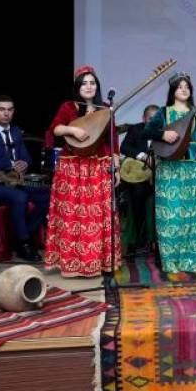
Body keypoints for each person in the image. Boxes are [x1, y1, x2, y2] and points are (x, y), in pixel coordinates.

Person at [44, 65, 122, 277]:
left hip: (98, 165)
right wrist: (72, 129)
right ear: (78, 86)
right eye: (84, 83)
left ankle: (99, 262)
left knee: (97, 215)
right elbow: (56, 129)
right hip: (73, 167)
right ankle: (73, 263)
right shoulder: (68, 107)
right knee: (73, 214)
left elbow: (113, 138)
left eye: (92, 83)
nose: (89, 86)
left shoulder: (105, 108)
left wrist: (116, 169)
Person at [143, 73, 196, 273]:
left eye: (187, 87)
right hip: (170, 168)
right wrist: (162, 134)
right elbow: (146, 132)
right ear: (173, 91)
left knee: (195, 213)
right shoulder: (164, 112)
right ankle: (172, 260)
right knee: (172, 212)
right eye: (179, 87)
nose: (184, 89)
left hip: (194, 167)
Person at [0, 95, 49, 262]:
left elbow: (27, 158)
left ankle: (22, 236)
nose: (6, 113)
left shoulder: (15, 131)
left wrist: (23, 162)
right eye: (1, 109)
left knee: (46, 195)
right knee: (20, 197)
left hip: (15, 181)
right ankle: (24, 244)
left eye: (9, 110)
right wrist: (11, 164)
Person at [118, 104, 159, 256]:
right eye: (150, 118)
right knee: (138, 192)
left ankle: (156, 241)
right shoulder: (136, 129)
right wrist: (142, 156)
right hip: (138, 179)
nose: (153, 122)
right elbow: (124, 148)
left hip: (158, 177)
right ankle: (138, 240)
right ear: (144, 118)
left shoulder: (164, 133)